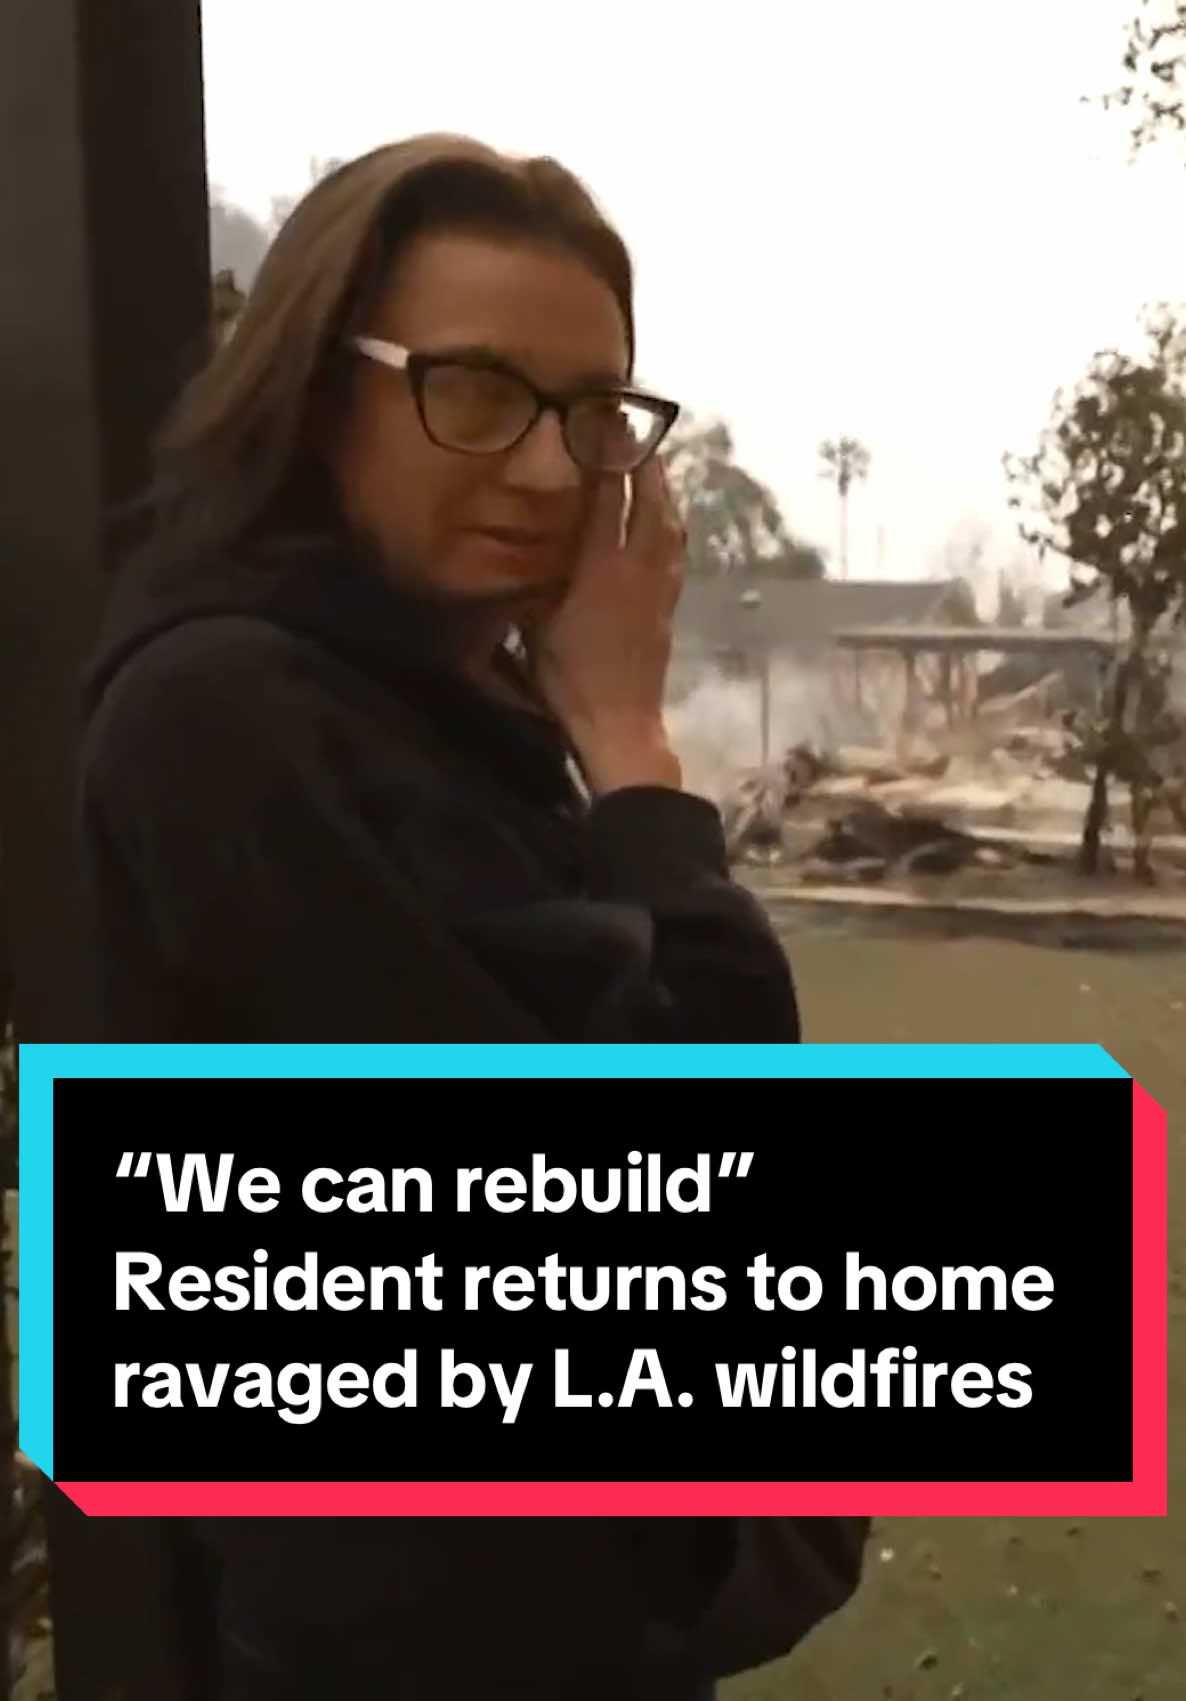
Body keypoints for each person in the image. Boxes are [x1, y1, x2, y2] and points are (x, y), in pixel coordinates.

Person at [77, 135, 867, 1700]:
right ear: (315, 388)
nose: (545, 465)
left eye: (591, 415)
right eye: (475, 390)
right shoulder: (232, 717)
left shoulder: (432, 719)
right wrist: (637, 763)